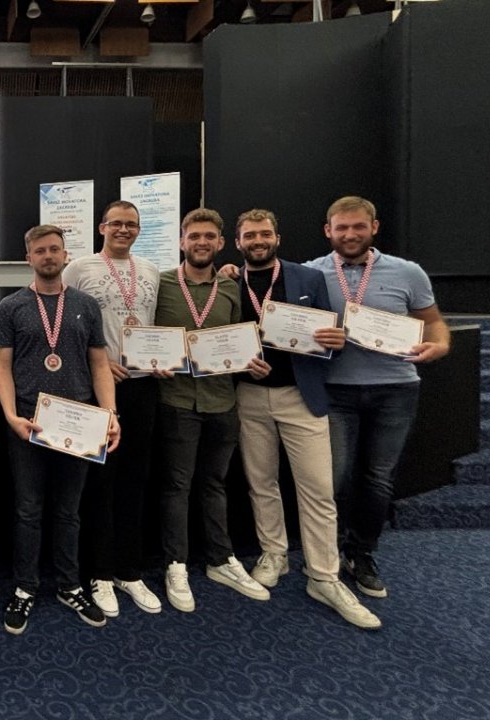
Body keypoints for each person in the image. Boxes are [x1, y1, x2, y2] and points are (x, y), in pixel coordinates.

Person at [231, 209, 381, 629]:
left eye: (264, 234)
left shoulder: (308, 279)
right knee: (261, 483)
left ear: (277, 238)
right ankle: (274, 554)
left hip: (301, 396)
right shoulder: (229, 282)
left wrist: (335, 340)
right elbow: (221, 339)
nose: (257, 241)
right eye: (249, 235)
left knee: (317, 490)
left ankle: (324, 576)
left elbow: (328, 337)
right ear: (238, 242)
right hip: (248, 396)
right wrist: (242, 364)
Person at [306, 196, 449, 598]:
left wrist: (440, 346)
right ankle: (328, 555)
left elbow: (434, 323)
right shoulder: (311, 273)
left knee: (378, 478)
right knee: (332, 478)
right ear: (328, 231)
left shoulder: (408, 272)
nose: (350, 234)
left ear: (374, 227)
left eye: (358, 226)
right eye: (342, 228)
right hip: (335, 391)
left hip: (395, 390)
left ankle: (362, 553)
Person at [0, 224, 121, 635]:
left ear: (66, 255)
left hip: (79, 422)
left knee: (68, 511)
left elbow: (99, 363)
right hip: (28, 422)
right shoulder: (10, 307)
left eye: (54, 249)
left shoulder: (86, 304)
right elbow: (2, 367)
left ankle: (69, 585)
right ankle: (25, 587)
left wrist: (111, 414)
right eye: (40, 250)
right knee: (28, 510)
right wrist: (10, 416)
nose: (48, 256)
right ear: (28, 257)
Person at [154, 208, 270, 613]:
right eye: (193, 236)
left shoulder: (232, 288)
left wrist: (251, 362)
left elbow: (240, 339)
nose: (201, 243)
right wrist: (150, 360)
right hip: (176, 401)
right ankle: (176, 564)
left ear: (221, 243)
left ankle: (221, 559)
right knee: (176, 486)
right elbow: (145, 337)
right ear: (181, 242)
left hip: (222, 401)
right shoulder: (162, 284)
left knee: (215, 484)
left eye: (208, 237)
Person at [61, 201, 164, 618]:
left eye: (131, 224)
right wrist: (99, 363)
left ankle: (129, 570)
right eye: (116, 223)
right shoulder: (79, 269)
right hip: (97, 388)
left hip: (143, 387)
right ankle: (100, 572)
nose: (124, 230)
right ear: (102, 227)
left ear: (139, 230)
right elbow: (62, 326)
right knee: (100, 483)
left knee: (136, 481)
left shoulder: (152, 270)